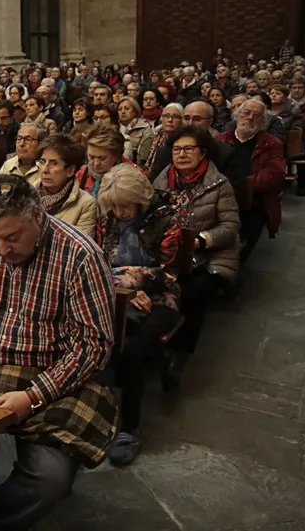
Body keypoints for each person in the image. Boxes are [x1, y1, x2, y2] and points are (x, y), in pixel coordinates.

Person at [0, 175, 116, 531]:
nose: (2, 250)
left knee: (49, 478)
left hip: (50, 379)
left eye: (12, 237)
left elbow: (92, 346)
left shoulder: (80, 255)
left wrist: (33, 396)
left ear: (36, 215)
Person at [94, 165, 181, 465]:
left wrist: (134, 280)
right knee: (91, 333)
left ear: (141, 200)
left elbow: (167, 273)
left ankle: (129, 428)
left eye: (125, 206)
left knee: (132, 350)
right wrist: (127, 285)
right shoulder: (106, 218)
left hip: (160, 298)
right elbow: (96, 263)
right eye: (114, 207)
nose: (119, 213)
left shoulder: (166, 218)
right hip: (115, 293)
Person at [153, 126, 240, 389]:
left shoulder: (219, 184)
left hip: (208, 255)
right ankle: (150, 342)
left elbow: (231, 226)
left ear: (203, 153)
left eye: (188, 149)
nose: (181, 154)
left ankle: (180, 354)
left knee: (194, 293)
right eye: (177, 149)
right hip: (167, 252)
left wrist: (201, 240)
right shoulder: (161, 180)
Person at [214, 99, 284, 263]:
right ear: (237, 115)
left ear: (263, 121)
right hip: (221, 196)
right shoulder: (219, 140)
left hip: (253, 199)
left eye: (257, 115)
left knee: (249, 230)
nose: (250, 118)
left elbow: (275, 174)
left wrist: (245, 186)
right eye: (246, 113)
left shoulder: (272, 144)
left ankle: (236, 263)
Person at [33, 133, 99, 237]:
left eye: (54, 164)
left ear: (70, 171)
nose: (45, 170)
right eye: (42, 162)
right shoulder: (27, 194)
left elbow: (81, 244)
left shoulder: (86, 204)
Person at [142, 103, 185, 177]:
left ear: (182, 121)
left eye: (175, 117)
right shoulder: (155, 135)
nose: (170, 120)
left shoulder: (183, 141)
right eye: (166, 116)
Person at [118, 97, 152, 164]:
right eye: (119, 109)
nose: (123, 111)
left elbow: (143, 158)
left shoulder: (145, 128)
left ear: (135, 112)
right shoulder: (114, 127)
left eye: (127, 108)